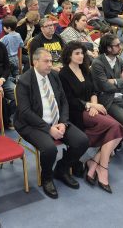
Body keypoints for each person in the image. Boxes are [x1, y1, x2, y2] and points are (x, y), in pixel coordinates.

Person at [14, 48, 89, 199]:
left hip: (57, 121)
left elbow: (63, 101)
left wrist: (63, 122)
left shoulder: (54, 75)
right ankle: (46, 177)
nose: (50, 64)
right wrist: (48, 129)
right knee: (49, 149)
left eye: (51, 61)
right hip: (32, 124)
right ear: (35, 62)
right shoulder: (24, 81)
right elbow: (25, 112)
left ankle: (62, 169)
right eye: (46, 61)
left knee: (82, 141)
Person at [58, 42, 123, 194]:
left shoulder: (85, 69)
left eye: (82, 53)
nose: (81, 56)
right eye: (77, 53)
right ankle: (102, 167)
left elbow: (93, 91)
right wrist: (90, 106)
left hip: (92, 108)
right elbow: (69, 100)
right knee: (116, 127)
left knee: (118, 128)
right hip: (77, 112)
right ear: (69, 55)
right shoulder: (64, 74)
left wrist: (94, 104)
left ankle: (95, 163)